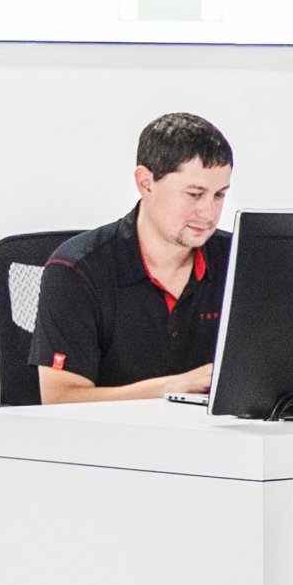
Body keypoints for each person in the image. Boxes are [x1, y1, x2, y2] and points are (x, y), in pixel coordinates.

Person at [34, 114, 235, 405]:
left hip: (220, 444)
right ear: (146, 182)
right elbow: (60, 398)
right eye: (194, 194)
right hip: (109, 442)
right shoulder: (76, 270)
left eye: (219, 195)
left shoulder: (238, 261)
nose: (208, 213)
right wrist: (176, 387)